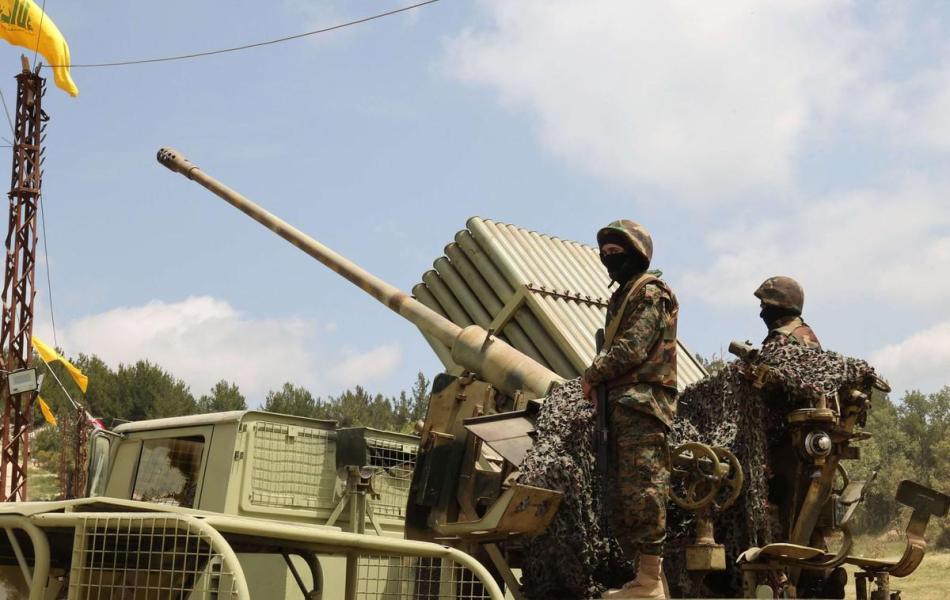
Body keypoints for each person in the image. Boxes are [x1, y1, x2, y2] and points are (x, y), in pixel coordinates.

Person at [580, 219, 678, 600]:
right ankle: (649, 581)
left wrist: (592, 374)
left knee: (643, 490)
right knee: (623, 494)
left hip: (642, 406)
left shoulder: (650, 292)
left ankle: (649, 581)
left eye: (616, 252)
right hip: (622, 406)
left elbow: (632, 347)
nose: (608, 259)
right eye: (604, 253)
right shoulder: (622, 297)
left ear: (636, 254)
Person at [754, 276, 821, 350]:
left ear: (776, 305)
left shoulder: (781, 338)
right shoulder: (805, 332)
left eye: (764, 305)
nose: (761, 315)